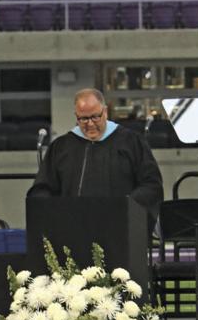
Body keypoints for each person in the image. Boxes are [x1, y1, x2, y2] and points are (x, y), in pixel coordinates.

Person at [27, 88, 163, 223]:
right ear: (76, 116)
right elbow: (41, 190)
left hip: (120, 227)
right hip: (71, 229)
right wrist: (57, 211)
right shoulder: (61, 147)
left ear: (105, 112)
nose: (90, 124)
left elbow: (151, 186)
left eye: (95, 117)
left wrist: (126, 206)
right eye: (84, 119)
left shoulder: (131, 142)